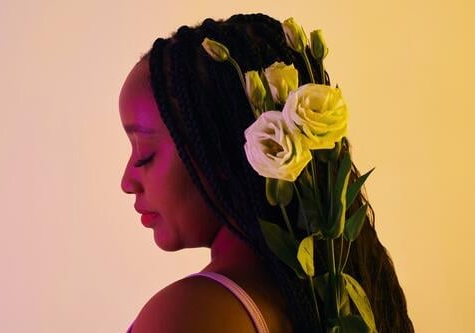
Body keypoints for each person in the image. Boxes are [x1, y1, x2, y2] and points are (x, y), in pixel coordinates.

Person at [119, 13, 414, 333]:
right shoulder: (337, 297)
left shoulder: (190, 314)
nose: (127, 182)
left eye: (145, 154)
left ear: (223, 149)